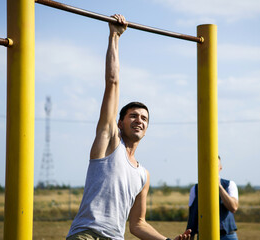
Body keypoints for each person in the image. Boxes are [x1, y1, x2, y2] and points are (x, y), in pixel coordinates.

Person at [66, 14, 191, 240]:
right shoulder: (109, 143)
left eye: (144, 118)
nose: (139, 120)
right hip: (87, 235)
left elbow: (138, 224)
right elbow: (112, 82)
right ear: (119, 122)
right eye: (133, 116)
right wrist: (114, 36)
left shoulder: (143, 175)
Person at [186, 156, 239, 240]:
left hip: (227, 235)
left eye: (215, 165)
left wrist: (219, 187)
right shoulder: (195, 189)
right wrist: (190, 235)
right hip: (204, 235)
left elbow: (233, 207)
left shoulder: (229, 185)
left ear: (220, 168)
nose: (211, 168)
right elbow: (193, 216)